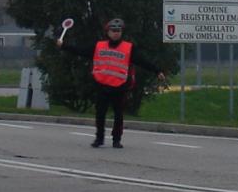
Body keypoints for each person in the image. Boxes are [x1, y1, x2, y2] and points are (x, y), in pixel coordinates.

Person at [59, 18, 163, 148]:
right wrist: (64, 46)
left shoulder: (128, 48)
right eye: (113, 30)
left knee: (118, 115)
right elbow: (81, 50)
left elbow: (142, 60)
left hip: (119, 86)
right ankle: (99, 138)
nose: (116, 33)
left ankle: (116, 140)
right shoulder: (99, 46)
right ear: (107, 32)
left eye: (118, 31)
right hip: (102, 85)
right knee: (100, 114)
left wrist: (157, 70)